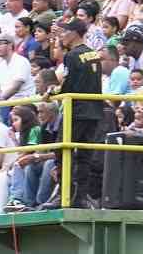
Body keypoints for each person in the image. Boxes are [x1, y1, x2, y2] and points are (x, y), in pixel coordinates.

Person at [51, 19, 103, 206]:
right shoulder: (94, 54)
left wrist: (52, 92)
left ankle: (64, 194)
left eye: (65, 32)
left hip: (77, 110)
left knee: (62, 150)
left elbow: (67, 84)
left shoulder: (72, 56)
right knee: (84, 156)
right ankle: (80, 197)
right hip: (94, 111)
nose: (62, 36)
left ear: (74, 33)